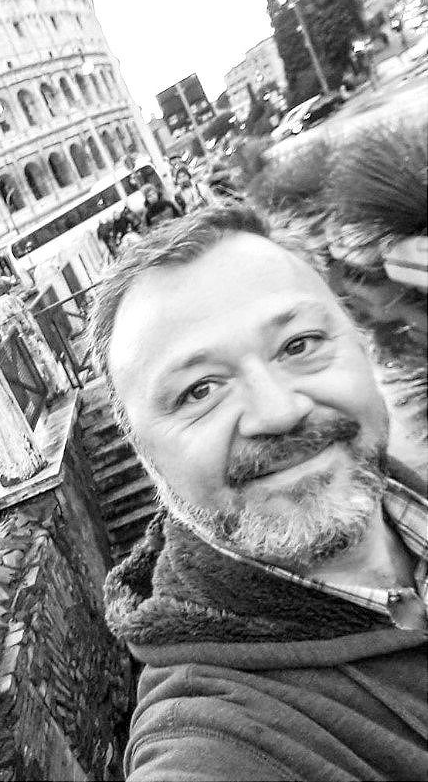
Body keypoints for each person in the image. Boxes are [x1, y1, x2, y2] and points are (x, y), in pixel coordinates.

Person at [88, 202, 428, 781]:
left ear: (363, 345)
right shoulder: (212, 740)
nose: (278, 410)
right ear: (148, 461)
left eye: (299, 345)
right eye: (199, 391)